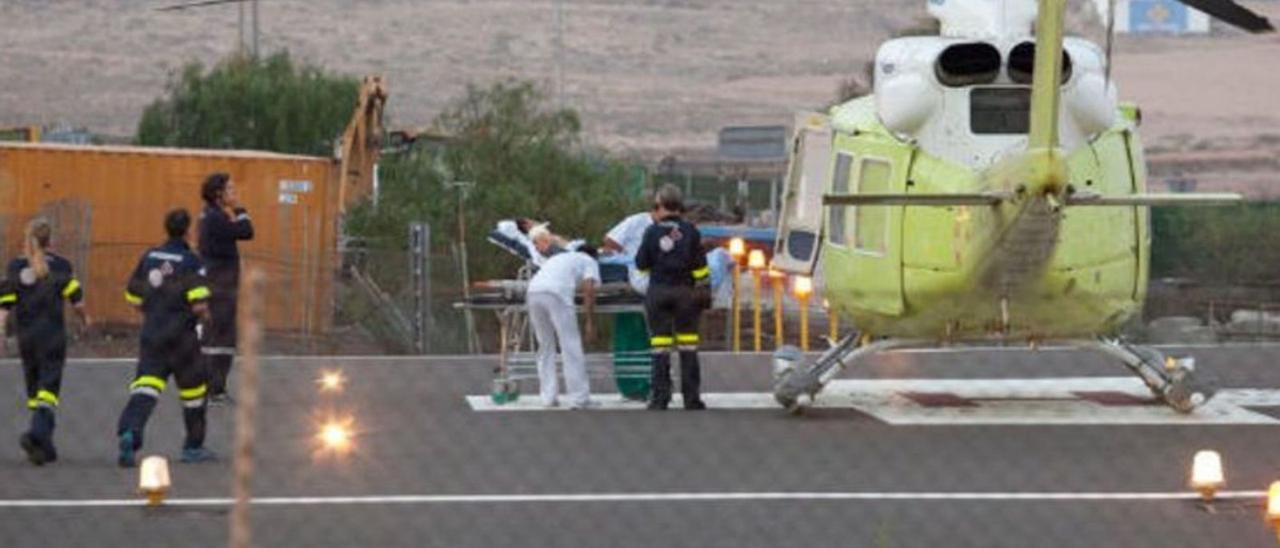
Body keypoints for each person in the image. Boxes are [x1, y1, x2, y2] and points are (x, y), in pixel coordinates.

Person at [116, 209, 216, 467]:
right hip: (183, 338)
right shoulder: (191, 261)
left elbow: (133, 297)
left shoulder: (149, 257)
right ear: (187, 231)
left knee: (145, 388)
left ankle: (130, 433)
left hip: (153, 336)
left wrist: (153, 314)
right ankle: (193, 448)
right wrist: (207, 320)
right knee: (194, 392)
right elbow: (198, 305)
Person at [0, 219, 88, 465]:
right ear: (51, 240)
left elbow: (5, 305)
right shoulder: (61, 266)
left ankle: (44, 448)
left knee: (34, 391)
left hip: (26, 336)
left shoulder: (16, 266)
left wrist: (1, 334)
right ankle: (36, 434)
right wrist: (85, 319)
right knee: (48, 391)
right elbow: (77, 301)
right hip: (52, 335)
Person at [635, 184, 710, 411]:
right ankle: (692, 399)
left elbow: (641, 264)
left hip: (659, 293)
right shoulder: (691, 231)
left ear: (659, 205)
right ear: (680, 205)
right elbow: (701, 269)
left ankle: (660, 398)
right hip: (685, 295)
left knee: (660, 348)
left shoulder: (651, 231)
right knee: (688, 347)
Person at [198, 172, 253, 404]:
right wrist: (240, 209)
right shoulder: (215, 218)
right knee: (218, 335)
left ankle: (215, 387)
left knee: (223, 336)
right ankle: (210, 388)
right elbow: (247, 231)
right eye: (230, 190)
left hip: (223, 285)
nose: (235, 193)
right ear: (218, 194)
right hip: (219, 286)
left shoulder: (215, 216)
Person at [525, 244, 600, 409]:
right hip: (557, 294)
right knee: (570, 346)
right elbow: (589, 288)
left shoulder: (559, 258)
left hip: (533, 292)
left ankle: (548, 397)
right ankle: (579, 399)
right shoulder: (589, 261)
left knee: (545, 346)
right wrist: (590, 321)